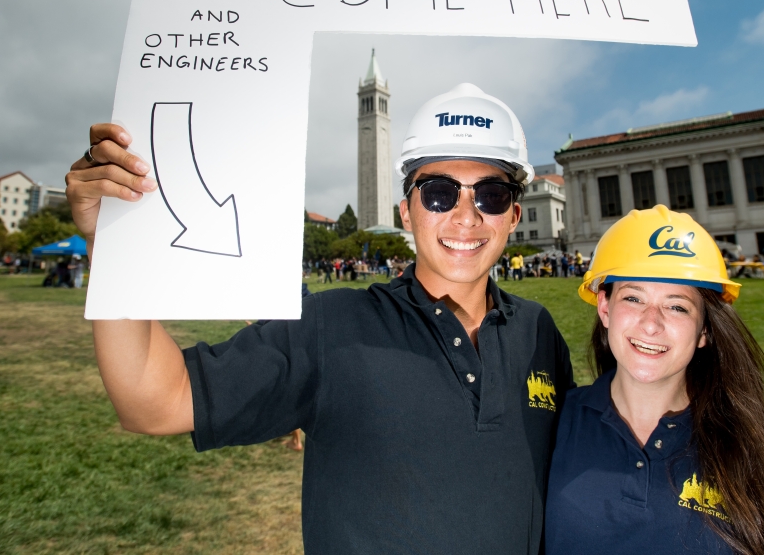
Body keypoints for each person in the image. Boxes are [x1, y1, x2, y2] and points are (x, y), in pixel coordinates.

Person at [66, 82, 573, 555]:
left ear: (514, 214)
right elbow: (154, 402)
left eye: (491, 194)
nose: (466, 216)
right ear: (406, 210)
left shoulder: (539, 332)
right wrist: (110, 244)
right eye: (439, 192)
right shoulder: (331, 326)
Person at [546, 206, 764, 555]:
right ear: (605, 308)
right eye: (633, 298)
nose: (651, 323)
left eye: (677, 306)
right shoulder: (551, 424)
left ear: (705, 328)